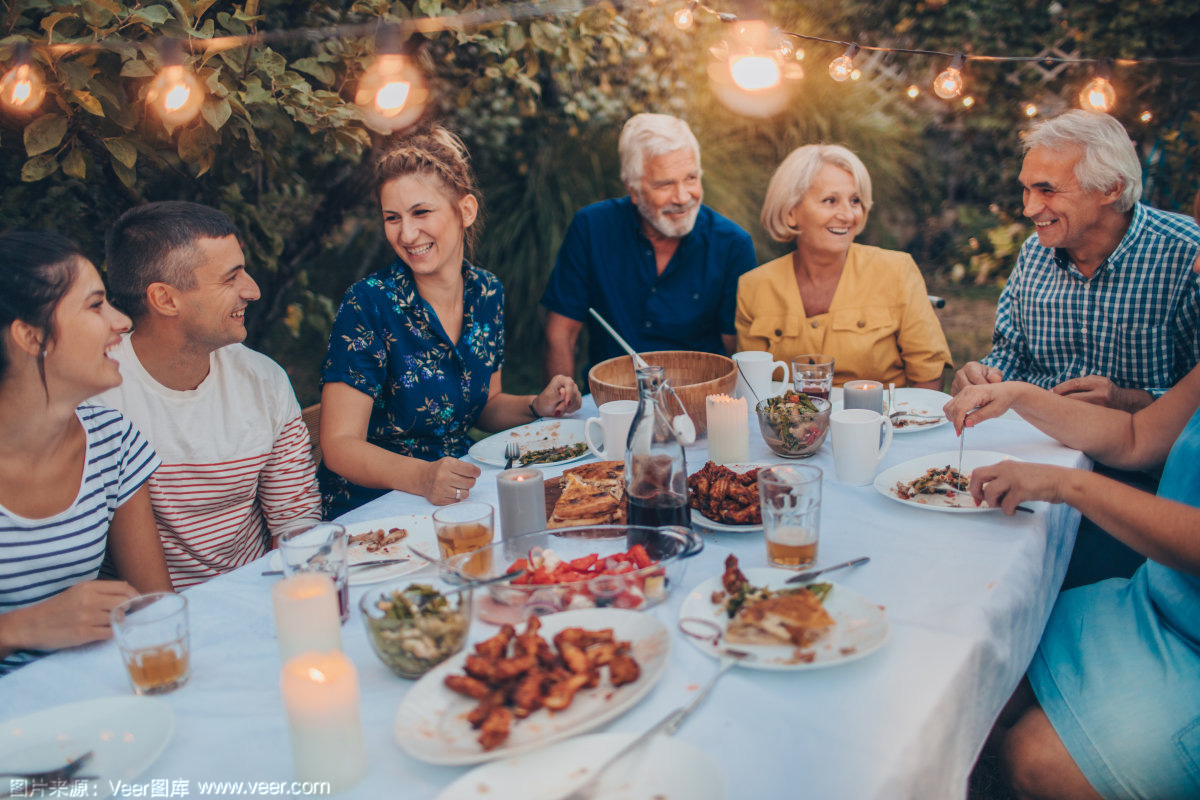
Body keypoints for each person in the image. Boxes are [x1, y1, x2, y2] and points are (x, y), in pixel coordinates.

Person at [943, 193, 1200, 798]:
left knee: (1031, 755)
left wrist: (1063, 483)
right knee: (986, 673)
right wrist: (1023, 397)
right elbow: (1139, 437)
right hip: (1160, 600)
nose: (1194, 266)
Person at [319, 125, 582, 517]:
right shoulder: (369, 303)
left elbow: (485, 404)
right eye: (393, 218)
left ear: (466, 210)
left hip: (461, 493)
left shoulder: (487, 292)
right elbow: (339, 444)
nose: (407, 233)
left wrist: (536, 404)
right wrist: (423, 477)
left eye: (421, 212)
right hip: (376, 510)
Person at [95, 202, 321, 589]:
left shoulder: (264, 381)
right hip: (151, 620)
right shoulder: (96, 397)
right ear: (166, 299)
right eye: (230, 278)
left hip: (261, 593)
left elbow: (294, 519)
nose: (252, 290)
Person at [0, 232, 172, 676]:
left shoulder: (111, 439)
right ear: (32, 337)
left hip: (92, 697)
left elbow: (156, 607)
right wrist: (20, 628)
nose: (122, 322)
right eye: (96, 305)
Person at [951, 110, 1200, 412]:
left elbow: (1195, 398)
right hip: (1037, 436)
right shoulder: (1034, 252)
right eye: (1026, 190)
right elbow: (1011, 353)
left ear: (1111, 187)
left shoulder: (1185, 253)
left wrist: (1128, 400)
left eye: (1047, 190)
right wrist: (984, 375)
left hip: (1138, 451)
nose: (1029, 208)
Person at [541, 113, 757, 380]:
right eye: (665, 184)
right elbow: (561, 332)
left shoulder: (733, 245)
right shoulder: (591, 227)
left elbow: (735, 350)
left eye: (691, 178)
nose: (682, 197)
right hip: (612, 399)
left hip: (697, 398)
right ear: (632, 189)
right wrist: (562, 406)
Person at [736, 144, 951, 388]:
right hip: (789, 425)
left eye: (855, 201)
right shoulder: (754, 287)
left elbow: (929, 378)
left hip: (882, 423)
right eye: (830, 201)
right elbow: (752, 387)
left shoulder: (897, 270)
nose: (848, 215)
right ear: (790, 213)